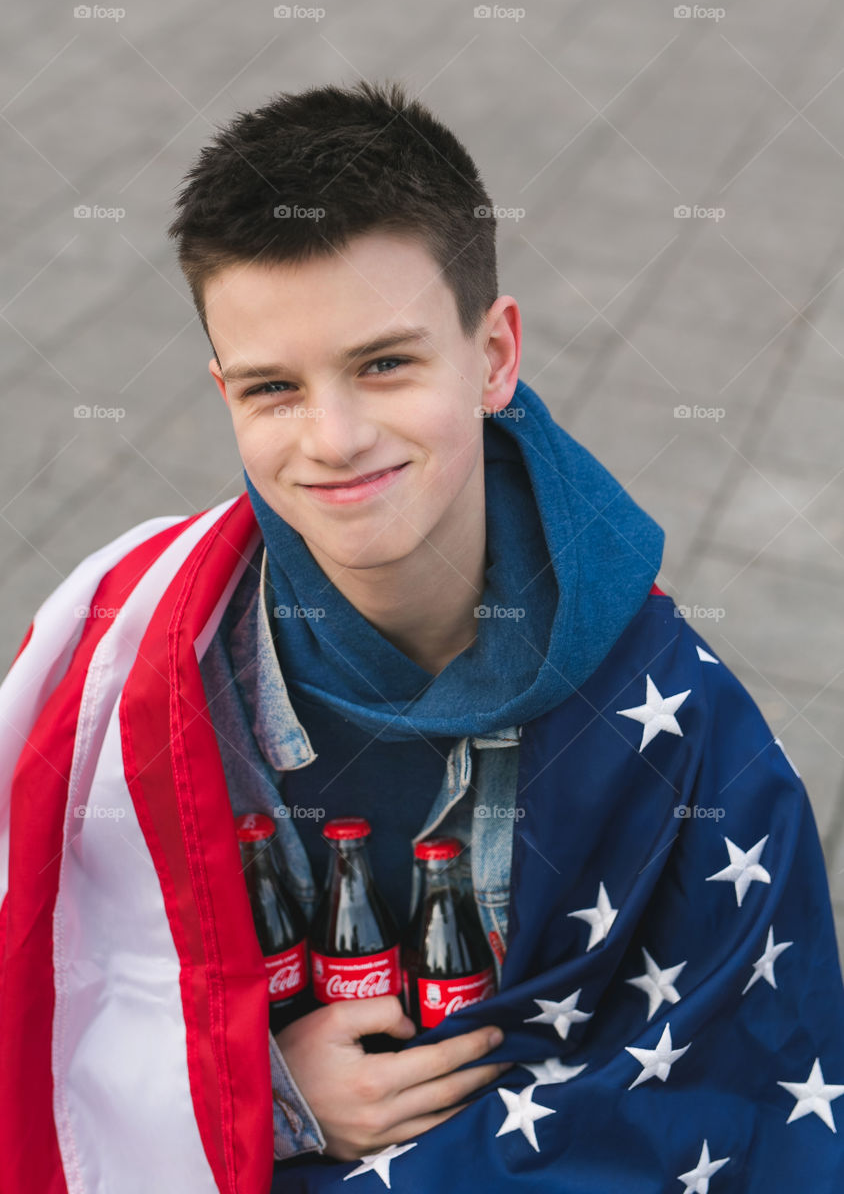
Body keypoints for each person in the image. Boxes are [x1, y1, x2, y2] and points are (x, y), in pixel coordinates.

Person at [1, 79, 843, 1194]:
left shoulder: (681, 726)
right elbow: (62, 990)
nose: (335, 437)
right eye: (272, 388)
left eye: (385, 363)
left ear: (494, 354)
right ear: (220, 392)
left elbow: (733, 1079)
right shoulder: (130, 669)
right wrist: (262, 1088)